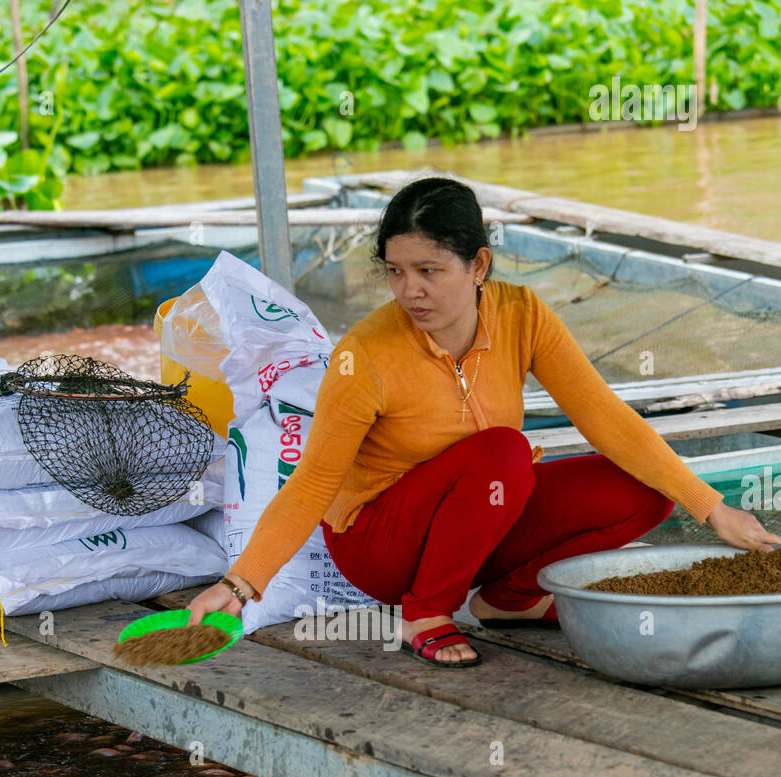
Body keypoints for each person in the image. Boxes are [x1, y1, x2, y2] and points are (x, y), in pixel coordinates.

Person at [190, 176, 779, 670]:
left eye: (429, 270)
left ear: (479, 265)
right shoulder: (365, 354)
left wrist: (710, 507)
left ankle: (510, 600)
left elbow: (606, 418)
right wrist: (241, 585)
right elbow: (312, 484)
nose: (410, 291)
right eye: (395, 272)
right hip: (381, 543)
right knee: (504, 452)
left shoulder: (523, 315)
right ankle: (425, 612)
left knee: (644, 490)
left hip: (482, 517)